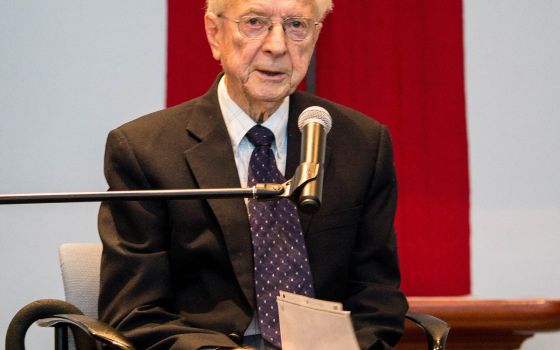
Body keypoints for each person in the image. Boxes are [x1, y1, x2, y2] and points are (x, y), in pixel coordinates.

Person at [98, 0, 408, 349]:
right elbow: (134, 312)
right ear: (215, 34)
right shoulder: (145, 151)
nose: (277, 46)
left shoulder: (361, 143)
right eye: (255, 22)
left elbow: (377, 299)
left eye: (296, 25)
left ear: (316, 35)